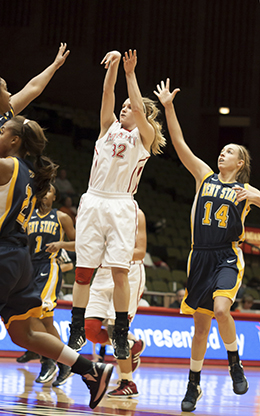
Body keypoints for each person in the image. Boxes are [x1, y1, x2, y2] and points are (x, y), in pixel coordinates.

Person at [0, 116, 113, 410]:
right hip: (21, 261)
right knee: (25, 334)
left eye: (2, 133)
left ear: (15, 141)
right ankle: (90, 370)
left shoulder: (4, 165)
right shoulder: (27, 172)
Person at [0, 43, 70, 367]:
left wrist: (54, 65)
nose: (11, 92)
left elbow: (33, 89)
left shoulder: (7, 119)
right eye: (6, 88)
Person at [155, 78, 258, 412]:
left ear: (240, 164)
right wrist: (169, 107)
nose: (221, 153)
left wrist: (258, 197)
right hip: (198, 257)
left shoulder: (246, 191)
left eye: (229, 152)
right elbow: (180, 143)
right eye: (222, 150)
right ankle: (193, 384)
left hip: (227, 256)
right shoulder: (203, 176)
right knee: (200, 330)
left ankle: (234, 363)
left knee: (221, 310)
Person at [68, 49, 165, 361]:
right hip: (93, 199)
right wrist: (112, 66)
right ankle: (76, 327)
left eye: (129, 108)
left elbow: (138, 104)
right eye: (121, 107)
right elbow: (108, 92)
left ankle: (121, 331)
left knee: (120, 273)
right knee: (83, 271)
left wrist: (130, 73)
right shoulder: (107, 127)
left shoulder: (144, 137)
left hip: (122, 205)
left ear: (142, 117)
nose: (124, 110)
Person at [17, 183, 76, 387]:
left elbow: (80, 243)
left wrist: (61, 245)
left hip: (48, 267)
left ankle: (47, 361)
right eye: (42, 189)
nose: (45, 193)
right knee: (46, 322)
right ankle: (65, 363)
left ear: (55, 196)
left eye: (49, 190)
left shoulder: (61, 217)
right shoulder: (27, 216)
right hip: (28, 268)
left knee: (36, 314)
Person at [84, 208, 147, 398]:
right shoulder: (97, 209)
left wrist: (112, 252)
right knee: (90, 329)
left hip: (128, 271)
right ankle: (132, 344)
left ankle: (128, 383)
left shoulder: (137, 214)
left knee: (115, 329)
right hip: (103, 273)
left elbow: (140, 252)